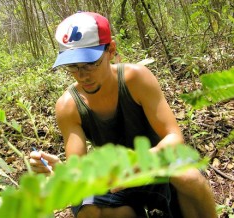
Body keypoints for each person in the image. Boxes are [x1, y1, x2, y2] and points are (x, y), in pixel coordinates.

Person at [30, 11, 217, 218]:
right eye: (73, 67)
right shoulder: (68, 105)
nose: (83, 75)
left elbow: (174, 138)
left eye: (91, 63)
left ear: (110, 50)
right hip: (116, 183)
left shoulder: (136, 79)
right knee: (90, 212)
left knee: (189, 177)